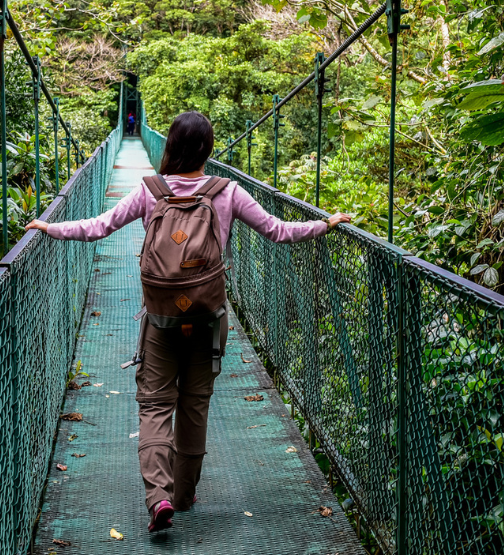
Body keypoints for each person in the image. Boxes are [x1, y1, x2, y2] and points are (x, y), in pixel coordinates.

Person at [25, 111, 350, 533]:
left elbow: (100, 226)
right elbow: (278, 231)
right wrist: (325, 224)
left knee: (156, 405)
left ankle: (158, 498)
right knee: (194, 403)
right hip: (208, 316)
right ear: (209, 149)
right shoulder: (227, 191)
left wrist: (51, 227)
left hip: (160, 318)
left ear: (171, 147)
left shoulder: (149, 190)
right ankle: (183, 493)